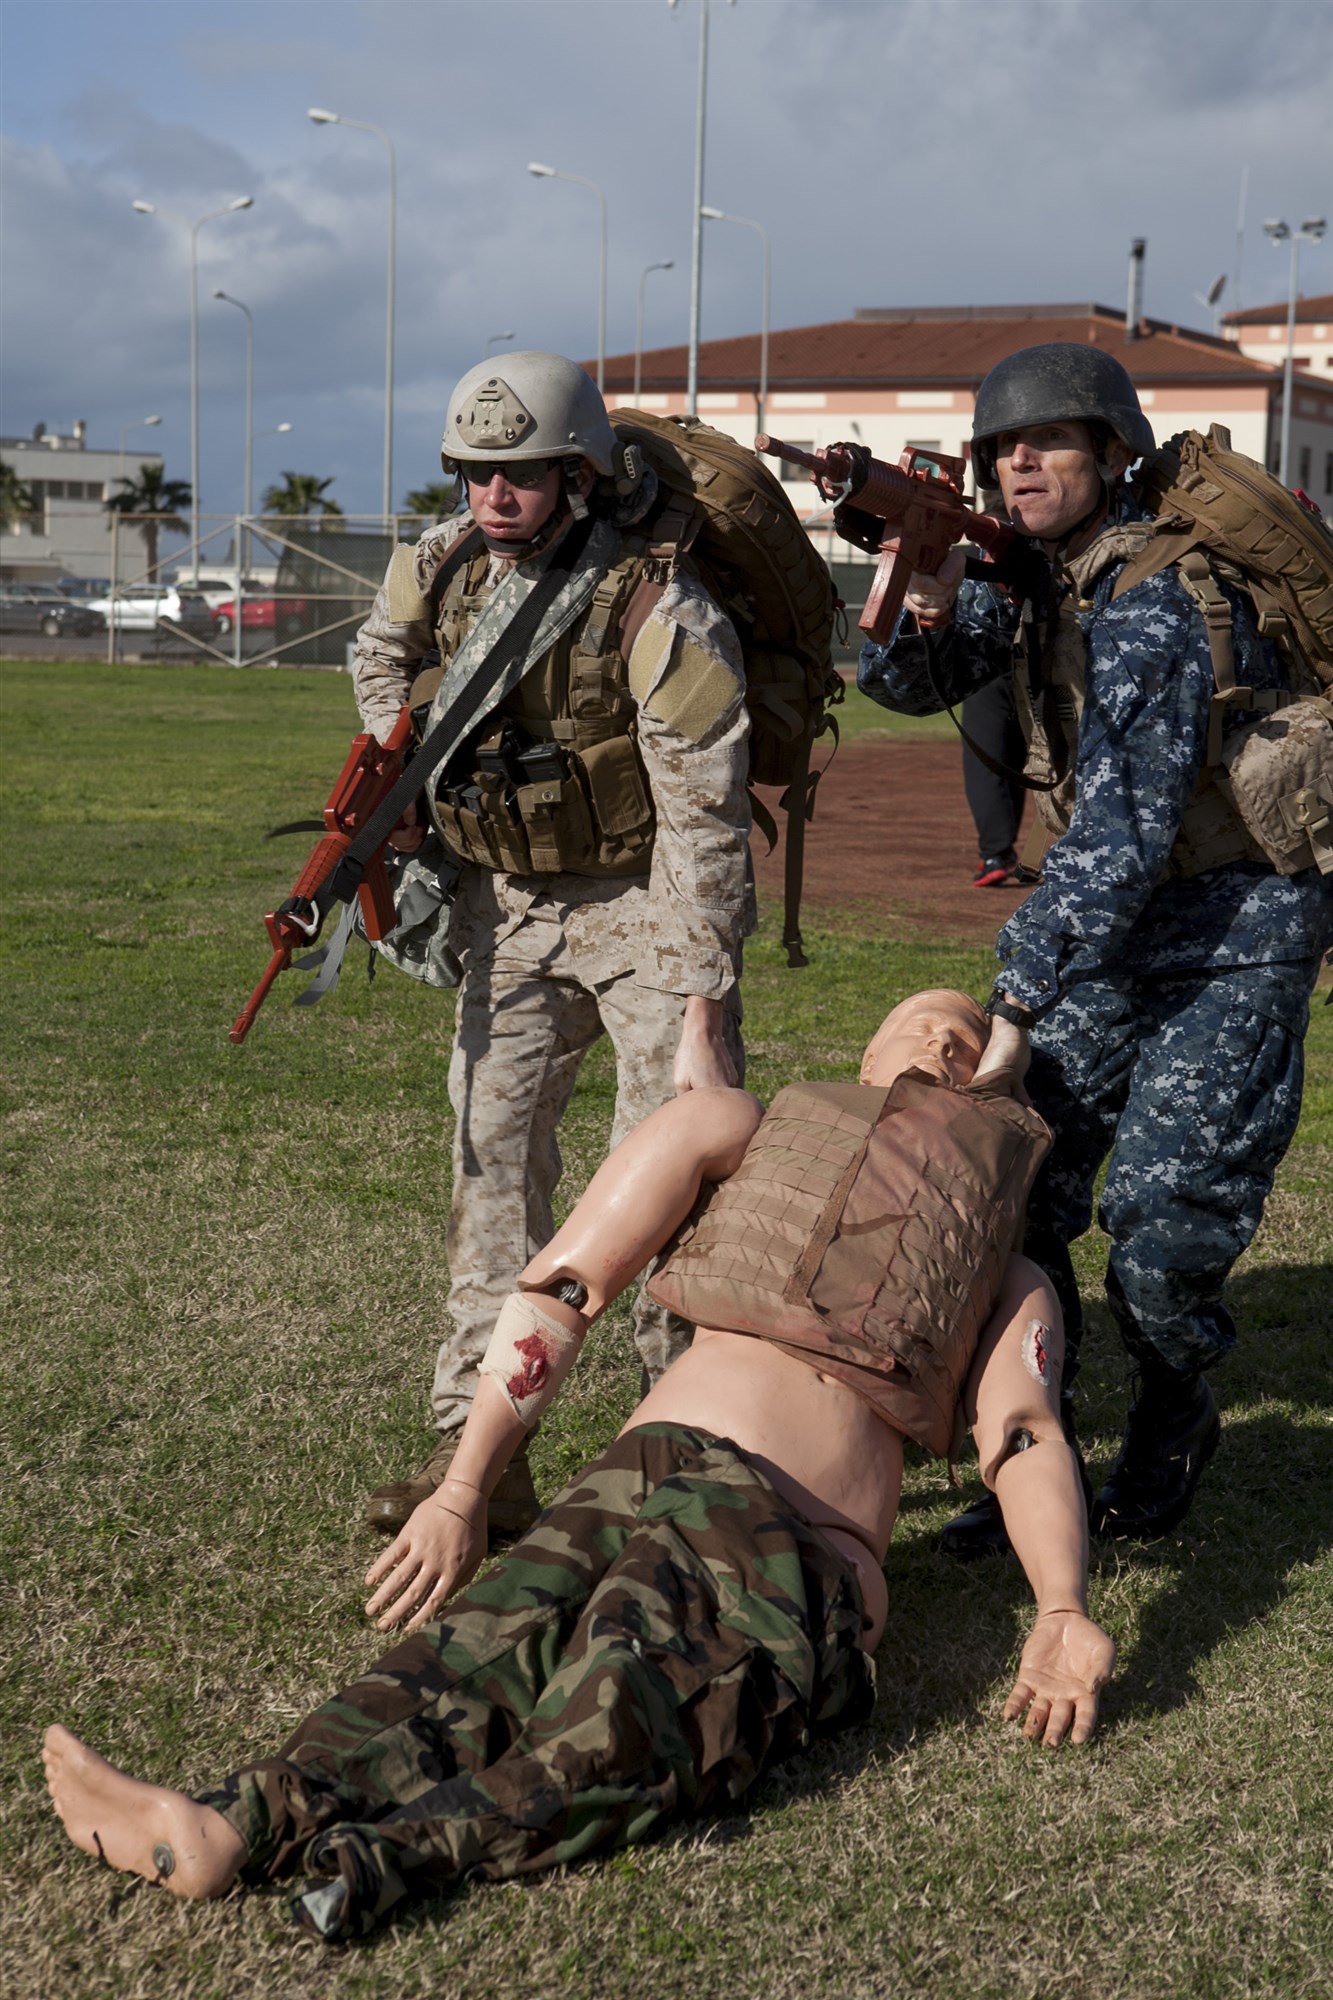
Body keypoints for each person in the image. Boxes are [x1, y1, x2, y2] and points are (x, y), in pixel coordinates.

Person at [43, 991, 1114, 1945]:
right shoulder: (746, 1130)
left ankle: (385, 1859)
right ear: (866, 1050)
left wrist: (1059, 1602)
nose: (941, 1029)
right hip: (638, 1470)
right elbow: (564, 1286)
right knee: (470, 1652)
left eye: (967, 1031)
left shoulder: (1002, 1267)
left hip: (785, 1540)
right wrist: (464, 1486)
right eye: (916, 1017)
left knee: (617, 1704)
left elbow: (1021, 1431)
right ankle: (238, 1817)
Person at [857, 342, 1333, 1556]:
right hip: (1118, 940)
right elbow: (906, 685)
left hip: (1233, 931)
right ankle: (1038, 1443)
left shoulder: (1155, 602)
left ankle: (1174, 1416)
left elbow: (1114, 837)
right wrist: (921, 586)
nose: (1021, 460)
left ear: (1112, 454)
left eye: (1051, 440)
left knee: (1161, 1227)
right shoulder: (1036, 583)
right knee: (1017, 1198)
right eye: (1003, 446)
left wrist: (1011, 1010)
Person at [351, 352, 754, 1542]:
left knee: (664, 1187)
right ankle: (477, 1457)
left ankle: (668, 1453)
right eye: (474, 473)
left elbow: (703, 819)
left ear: (579, 473)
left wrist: (702, 1005)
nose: (493, 496)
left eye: (519, 474)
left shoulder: (659, 608)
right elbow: (377, 651)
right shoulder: (442, 565)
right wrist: (400, 746)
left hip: (643, 906)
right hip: (510, 910)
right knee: (491, 1164)